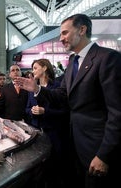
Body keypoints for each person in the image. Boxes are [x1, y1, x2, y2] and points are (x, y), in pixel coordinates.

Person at [16, 14, 121, 188]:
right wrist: (37, 89)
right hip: (74, 144)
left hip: (97, 147)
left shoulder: (107, 58)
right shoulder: (73, 61)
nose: (61, 38)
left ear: (82, 30)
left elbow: (117, 113)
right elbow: (62, 96)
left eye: (65, 33)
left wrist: (104, 155)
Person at [25, 58, 71, 187]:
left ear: (45, 68)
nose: (33, 71)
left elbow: (64, 111)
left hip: (55, 132)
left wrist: (45, 111)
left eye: (35, 68)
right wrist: (32, 111)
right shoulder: (32, 88)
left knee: (56, 166)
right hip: (38, 132)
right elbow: (27, 108)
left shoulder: (57, 86)